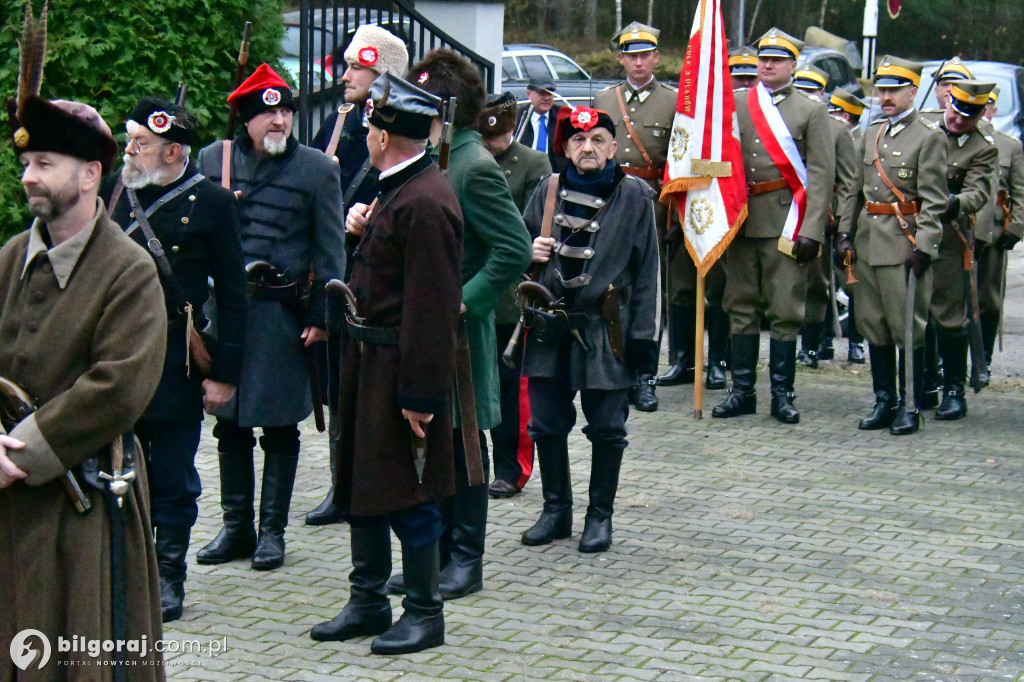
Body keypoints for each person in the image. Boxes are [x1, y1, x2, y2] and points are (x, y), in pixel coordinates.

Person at [1, 94, 167, 673]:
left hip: (87, 503)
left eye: (45, 163)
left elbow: (120, 387)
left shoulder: (128, 269)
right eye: (26, 165)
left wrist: (21, 454)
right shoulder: (9, 258)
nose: (28, 178)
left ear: (91, 173)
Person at [309, 72, 463, 655]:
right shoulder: (399, 187)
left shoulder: (426, 199)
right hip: (368, 361)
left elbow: (432, 307)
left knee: (410, 491)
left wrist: (421, 396)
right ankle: (368, 600)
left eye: (370, 125)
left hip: (399, 370)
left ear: (380, 135)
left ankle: (425, 612)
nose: (366, 134)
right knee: (364, 482)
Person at [381, 49, 531, 601]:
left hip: (462, 336)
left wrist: (462, 301)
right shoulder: (438, 160)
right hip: (429, 331)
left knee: (468, 444)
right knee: (438, 443)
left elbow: (513, 248)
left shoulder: (472, 166)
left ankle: (466, 559)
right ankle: (439, 552)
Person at [195, 63, 346, 570]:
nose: (279, 120)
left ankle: (271, 534)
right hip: (224, 314)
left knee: (280, 426)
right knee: (229, 423)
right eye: (268, 113)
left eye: (285, 110)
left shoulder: (318, 169)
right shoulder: (213, 159)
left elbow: (330, 250)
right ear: (245, 119)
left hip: (281, 315)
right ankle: (236, 527)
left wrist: (324, 316)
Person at [102, 97, 247, 622]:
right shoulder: (114, 191)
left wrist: (226, 373)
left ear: (173, 151)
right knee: (115, 469)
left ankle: (168, 577)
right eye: (129, 141)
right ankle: (121, 569)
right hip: (115, 353)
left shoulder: (211, 201)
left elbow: (233, 294)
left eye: (140, 144)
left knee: (172, 475)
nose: (130, 151)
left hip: (175, 358)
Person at [519, 105, 659, 553]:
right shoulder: (547, 189)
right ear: (565, 147)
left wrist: (643, 344)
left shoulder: (635, 195)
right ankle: (556, 511)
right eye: (578, 141)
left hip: (606, 331)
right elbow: (515, 258)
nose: (588, 148)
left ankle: (600, 517)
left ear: (613, 147)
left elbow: (649, 275)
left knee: (606, 428)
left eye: (598, 140)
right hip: (548, 328)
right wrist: (531, 252)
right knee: (545, 425)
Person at [305, 24, 410, 527]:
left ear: (381, 73)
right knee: (338, 384)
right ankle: (340, 485)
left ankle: (376, 484)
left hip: (379, 271)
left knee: (375, 389)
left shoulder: (407, 124)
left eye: (356, 68)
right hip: (335, 266)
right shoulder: (337, 120)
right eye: (348, 66)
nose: (345, 76)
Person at [713, 28, 835, 424]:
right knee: (740, 306)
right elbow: (715, 158)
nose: (767, 65)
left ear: (793, 65)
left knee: (784, 309)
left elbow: (820, 174)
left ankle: (782, 394)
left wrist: (812, 230)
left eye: (777, 59)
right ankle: (742, 390)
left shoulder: (810, 111)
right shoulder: (735, 103)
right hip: (741, 219)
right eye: (763, 58)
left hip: (787, 219)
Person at [834, 56, 947, 435]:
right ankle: (884, 400)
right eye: (881, 90)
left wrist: (926, 246)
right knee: (873, 326)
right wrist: (844, 233)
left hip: (903, 244)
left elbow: (934, 199)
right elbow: (855, 190)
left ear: (912, 91)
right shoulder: (872, 132)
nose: (886, 97)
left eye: (894, 90)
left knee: (906, 328)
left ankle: (910, 405)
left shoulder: (929, 136)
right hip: (868, 242)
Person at [478, 92, 552, 499]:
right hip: (475, 288)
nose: (494, 146)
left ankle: (511, 467)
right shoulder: (468, 159)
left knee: (510, 391)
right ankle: (479, 462)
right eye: (489, 139)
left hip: (511, 293)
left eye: (501, 138)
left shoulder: (534, 164)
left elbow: (534, 229)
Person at [920, 79, 998, 420]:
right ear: (947, 101)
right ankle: (923, 383)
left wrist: (953, 202)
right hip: (908, 232)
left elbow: (979, 192)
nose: (957, 120)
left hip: (950, 237)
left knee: (948, 316)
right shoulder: (922, 125)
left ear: (981, 114)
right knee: (914, 312)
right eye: (955, 109)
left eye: (968, 116)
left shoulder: (982, 148)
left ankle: (954, 388)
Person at [791, 67, 857, 370]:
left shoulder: (837, 129)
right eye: (799, 88)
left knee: (816, 283)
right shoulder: (776, 119)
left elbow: (848, 182)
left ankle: (811, 346)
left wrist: (842, 224)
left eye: (812, 90)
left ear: (822, 95)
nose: (805, 95)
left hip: (819, 214)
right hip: (781, 210)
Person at [973, 89, 1024, 381]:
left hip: (992, 233)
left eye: (984, 106)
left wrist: (1015, 227)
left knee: (988, 299)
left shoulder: (1009, 147)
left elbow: (1020, 191)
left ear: (992, 109)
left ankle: (983, 361)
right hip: (958, 232)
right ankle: (944, 361)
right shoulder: (945, 139)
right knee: (949, 299)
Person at [824, 88, 869, 364]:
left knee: (853, 284)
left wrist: (842, 221)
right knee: (824, 282)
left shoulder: (863, 141)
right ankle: (822, 340)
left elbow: (852, 187)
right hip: (824, 215)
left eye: (838, 113)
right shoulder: (827, 133)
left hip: (848, 219)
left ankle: (856, 341)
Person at [515, 79, 565, 167]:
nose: (547, 98)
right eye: (542, 93)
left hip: (554, 174)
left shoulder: (563, 117)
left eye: (550, 93)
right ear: (529, 94)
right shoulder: (518, 117)